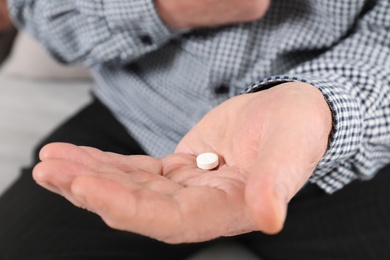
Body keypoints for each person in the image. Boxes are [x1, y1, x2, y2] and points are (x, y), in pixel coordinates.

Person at [1, 0, 390, 259]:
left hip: (337, 150)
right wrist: (163, 8)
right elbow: (34, 11)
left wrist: (320, 107)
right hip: (134, 121)